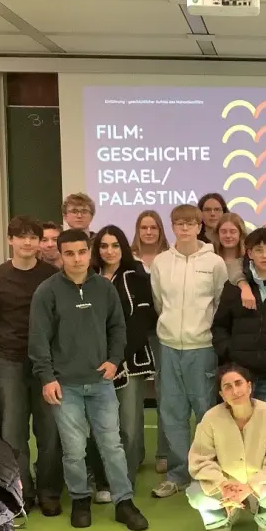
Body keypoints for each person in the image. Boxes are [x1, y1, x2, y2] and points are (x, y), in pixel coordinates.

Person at [28, 228, 148, 531]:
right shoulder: (47, 291)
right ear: (60, 255)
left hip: (101, 383)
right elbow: (38, 339)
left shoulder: (104, 289)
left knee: (112, 445)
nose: (77, 258)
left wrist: (114, 360)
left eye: (82, 252)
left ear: (89, 252)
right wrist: (47, 377)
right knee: (74, 449)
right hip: (64, 384)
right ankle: (80, 500)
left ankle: (124, 502)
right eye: (69, 253)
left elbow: (118, 327)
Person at [0, 216, 62, 516]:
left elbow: (60, 322)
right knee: (13, 436)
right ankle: (20, 494)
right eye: (21, 236)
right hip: (6, 361)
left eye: (33, 237)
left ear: (41, 242)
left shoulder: (52, 275)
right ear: (10, 240)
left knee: (50, 434)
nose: (28, 242)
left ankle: (50, 492)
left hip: (46, 365)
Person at [149, 204, 228, 499]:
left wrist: (201, 331)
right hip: (169, 346)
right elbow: (159, 302)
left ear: (199, 227)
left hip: (202, 347)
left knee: (206, 412)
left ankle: (208, 473)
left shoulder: (215, 263)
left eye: (190, 223)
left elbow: (220, 303)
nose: (184, 228)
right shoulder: (160, 262)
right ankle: (179, 474)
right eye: (178, 223)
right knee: (171, 412)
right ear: (172, 227)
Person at [187, 364, 266, 531]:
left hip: (261, 482)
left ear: (249, 386)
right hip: (226, 485)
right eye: (227, 387)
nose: (235, 391)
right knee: (196, 494)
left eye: (239, 383)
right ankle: (222, 517)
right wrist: (222, 485)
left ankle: (265, 516)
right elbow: (200, 459)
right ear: (222, 394)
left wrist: (251, 486)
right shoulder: (211, 418)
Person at [91, 225, 157, 489]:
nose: (109, 251)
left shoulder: (137, 276)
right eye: (104, 246)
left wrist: (117, 359)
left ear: (124, 248)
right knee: (99, 426)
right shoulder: (87, 276)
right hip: (93, 364)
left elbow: (142, 322)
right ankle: (102, 479)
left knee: (128, 426)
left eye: (115, 245)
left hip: (130, 362)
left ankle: (125, 481)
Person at [212, 227, 266, 406]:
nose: (264, 255)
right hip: (240, 373)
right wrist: (229, 351)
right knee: (238, 426)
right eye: (259, 250)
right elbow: (220, 325)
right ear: (250, 253)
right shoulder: (236, 287)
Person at [130, 209, 169, 473]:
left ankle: (164, 453)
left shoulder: (171, 258)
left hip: (163, 332)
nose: (149, 232)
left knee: (166, 394)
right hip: (135, 334)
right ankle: (135, 452)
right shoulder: (128, 259)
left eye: (153, 227)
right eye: (144, 227)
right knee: (134, 397)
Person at [215, 212, 249, 283]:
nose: (228, 235)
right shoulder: (210, 258)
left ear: (240, 234)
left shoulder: (249, 261)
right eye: (223, 232)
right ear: (218, 234)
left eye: (233, 232)